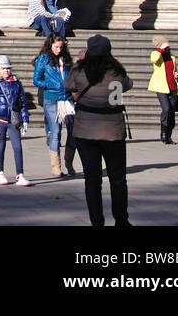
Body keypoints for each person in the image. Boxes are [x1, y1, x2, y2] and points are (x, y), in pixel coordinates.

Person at [66, 34, 133, 228]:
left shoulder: (79, 69)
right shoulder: (117, 71)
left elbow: (68, 85)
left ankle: (97, 222)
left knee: (92, 181)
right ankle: (121, 220)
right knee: (118, 179)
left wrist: (80, 62)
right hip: (113, 130)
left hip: (85, 131)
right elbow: (127, 85)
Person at [0, 54, 31, 185]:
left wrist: (25, 119)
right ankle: (0, 173)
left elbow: (22, 103)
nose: (6, 71)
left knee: (17, 147)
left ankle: (20, 174)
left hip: (13, 120)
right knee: (1, 146)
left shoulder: (17, 83)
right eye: (3, 68)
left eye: (8, 68)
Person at [33, 34, 76, 177]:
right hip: (51, 98)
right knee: (56, 132)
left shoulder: (66, 59)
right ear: (50, 45)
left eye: (61, 47)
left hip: (67, 98)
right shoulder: (43, 59)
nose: (58, 50)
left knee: (73, 131)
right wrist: (50, 85)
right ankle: (56, 166)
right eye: (56, 47)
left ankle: (69, 162)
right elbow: (36, 80)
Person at [148, 36, 178, 145]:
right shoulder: (156, 55)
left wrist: (176, 75)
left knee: (172, 113)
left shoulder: (172, 57)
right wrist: (161, 49)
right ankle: (163, 133)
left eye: (168, 46)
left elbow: (174, 70)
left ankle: (169, 135)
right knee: (166, 109)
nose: (168, 48)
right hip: (161, 87)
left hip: (173, 86)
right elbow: (154, 59)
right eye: (166, 46)